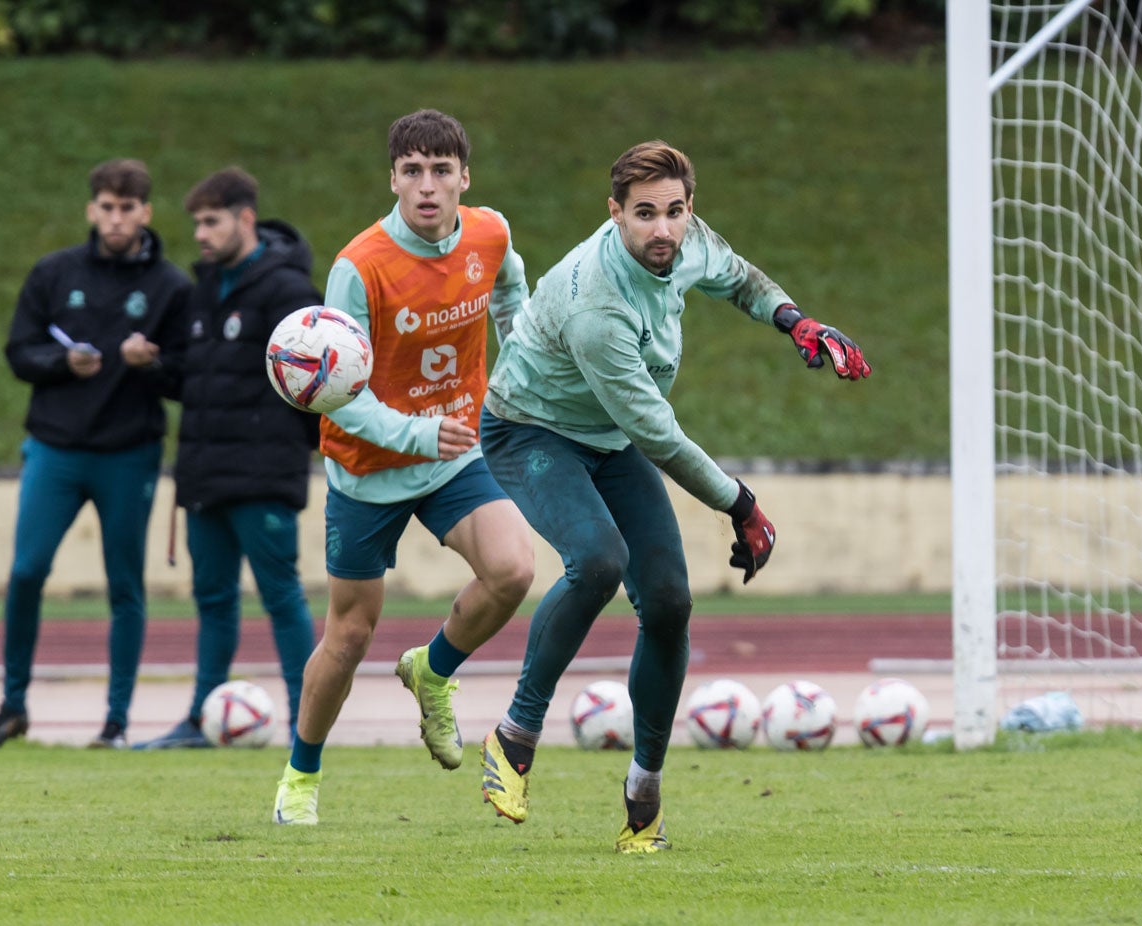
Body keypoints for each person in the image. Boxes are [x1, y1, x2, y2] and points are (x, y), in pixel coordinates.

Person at [475, 140, 872, 852]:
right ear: (614, 214)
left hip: (607, 437)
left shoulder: (684, 240)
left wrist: (796, 321)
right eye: (644, 215)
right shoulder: (596, 303)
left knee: (668, 602)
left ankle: (643, 795)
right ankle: (514, 736)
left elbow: (739, 277)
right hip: (530, 432)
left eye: (674, 212)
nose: (662, 230)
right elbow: (656, 434)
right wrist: (741, 504)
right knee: (596, 561)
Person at [273, 109, 534, 825]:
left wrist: (517, 377)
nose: (427, 186)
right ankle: (300, 775)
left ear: (464, 179)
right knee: (349, 636)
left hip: (456, 453)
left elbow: (513, 299)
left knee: (513, 569)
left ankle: (433, 669)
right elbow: (336, 397)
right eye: (412, 171)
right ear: (391, 178)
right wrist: (421, 435)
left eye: (441, 171)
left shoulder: (490, 233)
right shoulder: (358, 268)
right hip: (369, 467)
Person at [0, 158, 192, 750]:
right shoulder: (54, 272)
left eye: (128, 208)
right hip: (55, 449)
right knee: (26, 571)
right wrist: (60, 362)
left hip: (129, 453)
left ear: (146, 212)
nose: (116, 218)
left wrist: (154, 365)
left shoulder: (171, 286)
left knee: (124, 586)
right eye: (106, 207)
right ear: (92, 210)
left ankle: (115, 723)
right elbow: (19, 352)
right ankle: (12, 706)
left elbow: (187, 379)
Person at [134, 167, 322, 750]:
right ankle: (199, 719)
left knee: (281, 597)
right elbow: (201, 381)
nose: (200, 234)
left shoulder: (289, 291)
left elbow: (317, 381)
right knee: (212, 601)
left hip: (264, 474)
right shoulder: (202, 289)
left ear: (245, 219)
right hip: (204, 475)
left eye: (211, 221)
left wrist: (298, 446)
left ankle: (303, 725)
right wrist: (156, 368)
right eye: (196, 223)